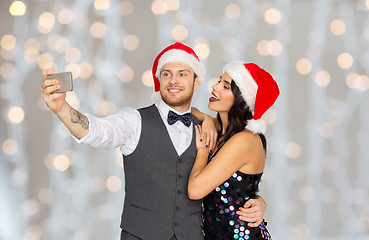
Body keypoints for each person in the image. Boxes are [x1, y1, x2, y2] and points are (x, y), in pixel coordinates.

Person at [40, 43, 266, 240]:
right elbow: (97, 131)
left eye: (183, 74)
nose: (174, 81)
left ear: (196, 82)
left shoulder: (218, 132)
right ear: (158, 80)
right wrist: (62, 108)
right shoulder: (135, 120)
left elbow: (238, 182)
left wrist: (258, 201)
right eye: (166, 74)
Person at [188, 61, 279, 240]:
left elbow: (195, 190)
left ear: (244, 103)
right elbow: (182, 110)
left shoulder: (245, 140)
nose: (214, 87)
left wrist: (203, 149)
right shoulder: (222, 131)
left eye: (225, 86)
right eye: (219, 81)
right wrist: (206, 118)